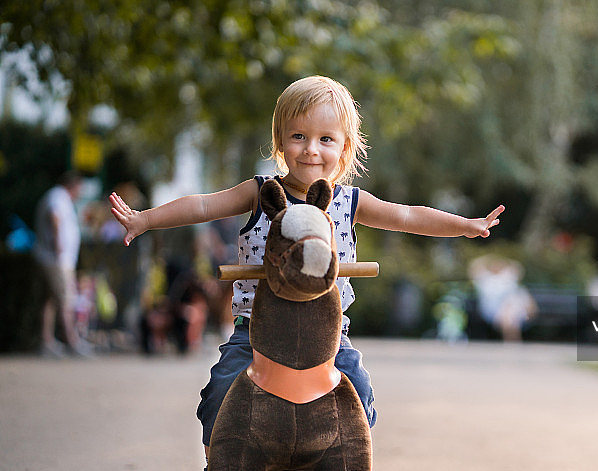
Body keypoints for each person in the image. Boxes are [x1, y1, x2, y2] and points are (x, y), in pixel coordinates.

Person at [109, 75, 504, 463]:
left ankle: (351, 455)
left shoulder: (351, 202)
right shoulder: (259, 192)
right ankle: (220, 459)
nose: (311, 149)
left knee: (360, 393)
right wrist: (145, 219)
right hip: (256, 335)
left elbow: (406, 215)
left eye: (325, 139)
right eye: (298, 136)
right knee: (219, 392)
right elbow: (201, 206)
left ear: (345, 146)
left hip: (329, 338)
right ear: (281, 141)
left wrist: (464, 226)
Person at [34, 171, 91, 358]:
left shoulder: (60, 197)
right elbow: (55, 216)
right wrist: (58, 244)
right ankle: (72, 341)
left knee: (51, 300)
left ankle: (47, 341)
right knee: (66, 298)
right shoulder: (57, 196)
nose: (80, 193)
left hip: (58, 258)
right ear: (72, 186)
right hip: (57, 259)